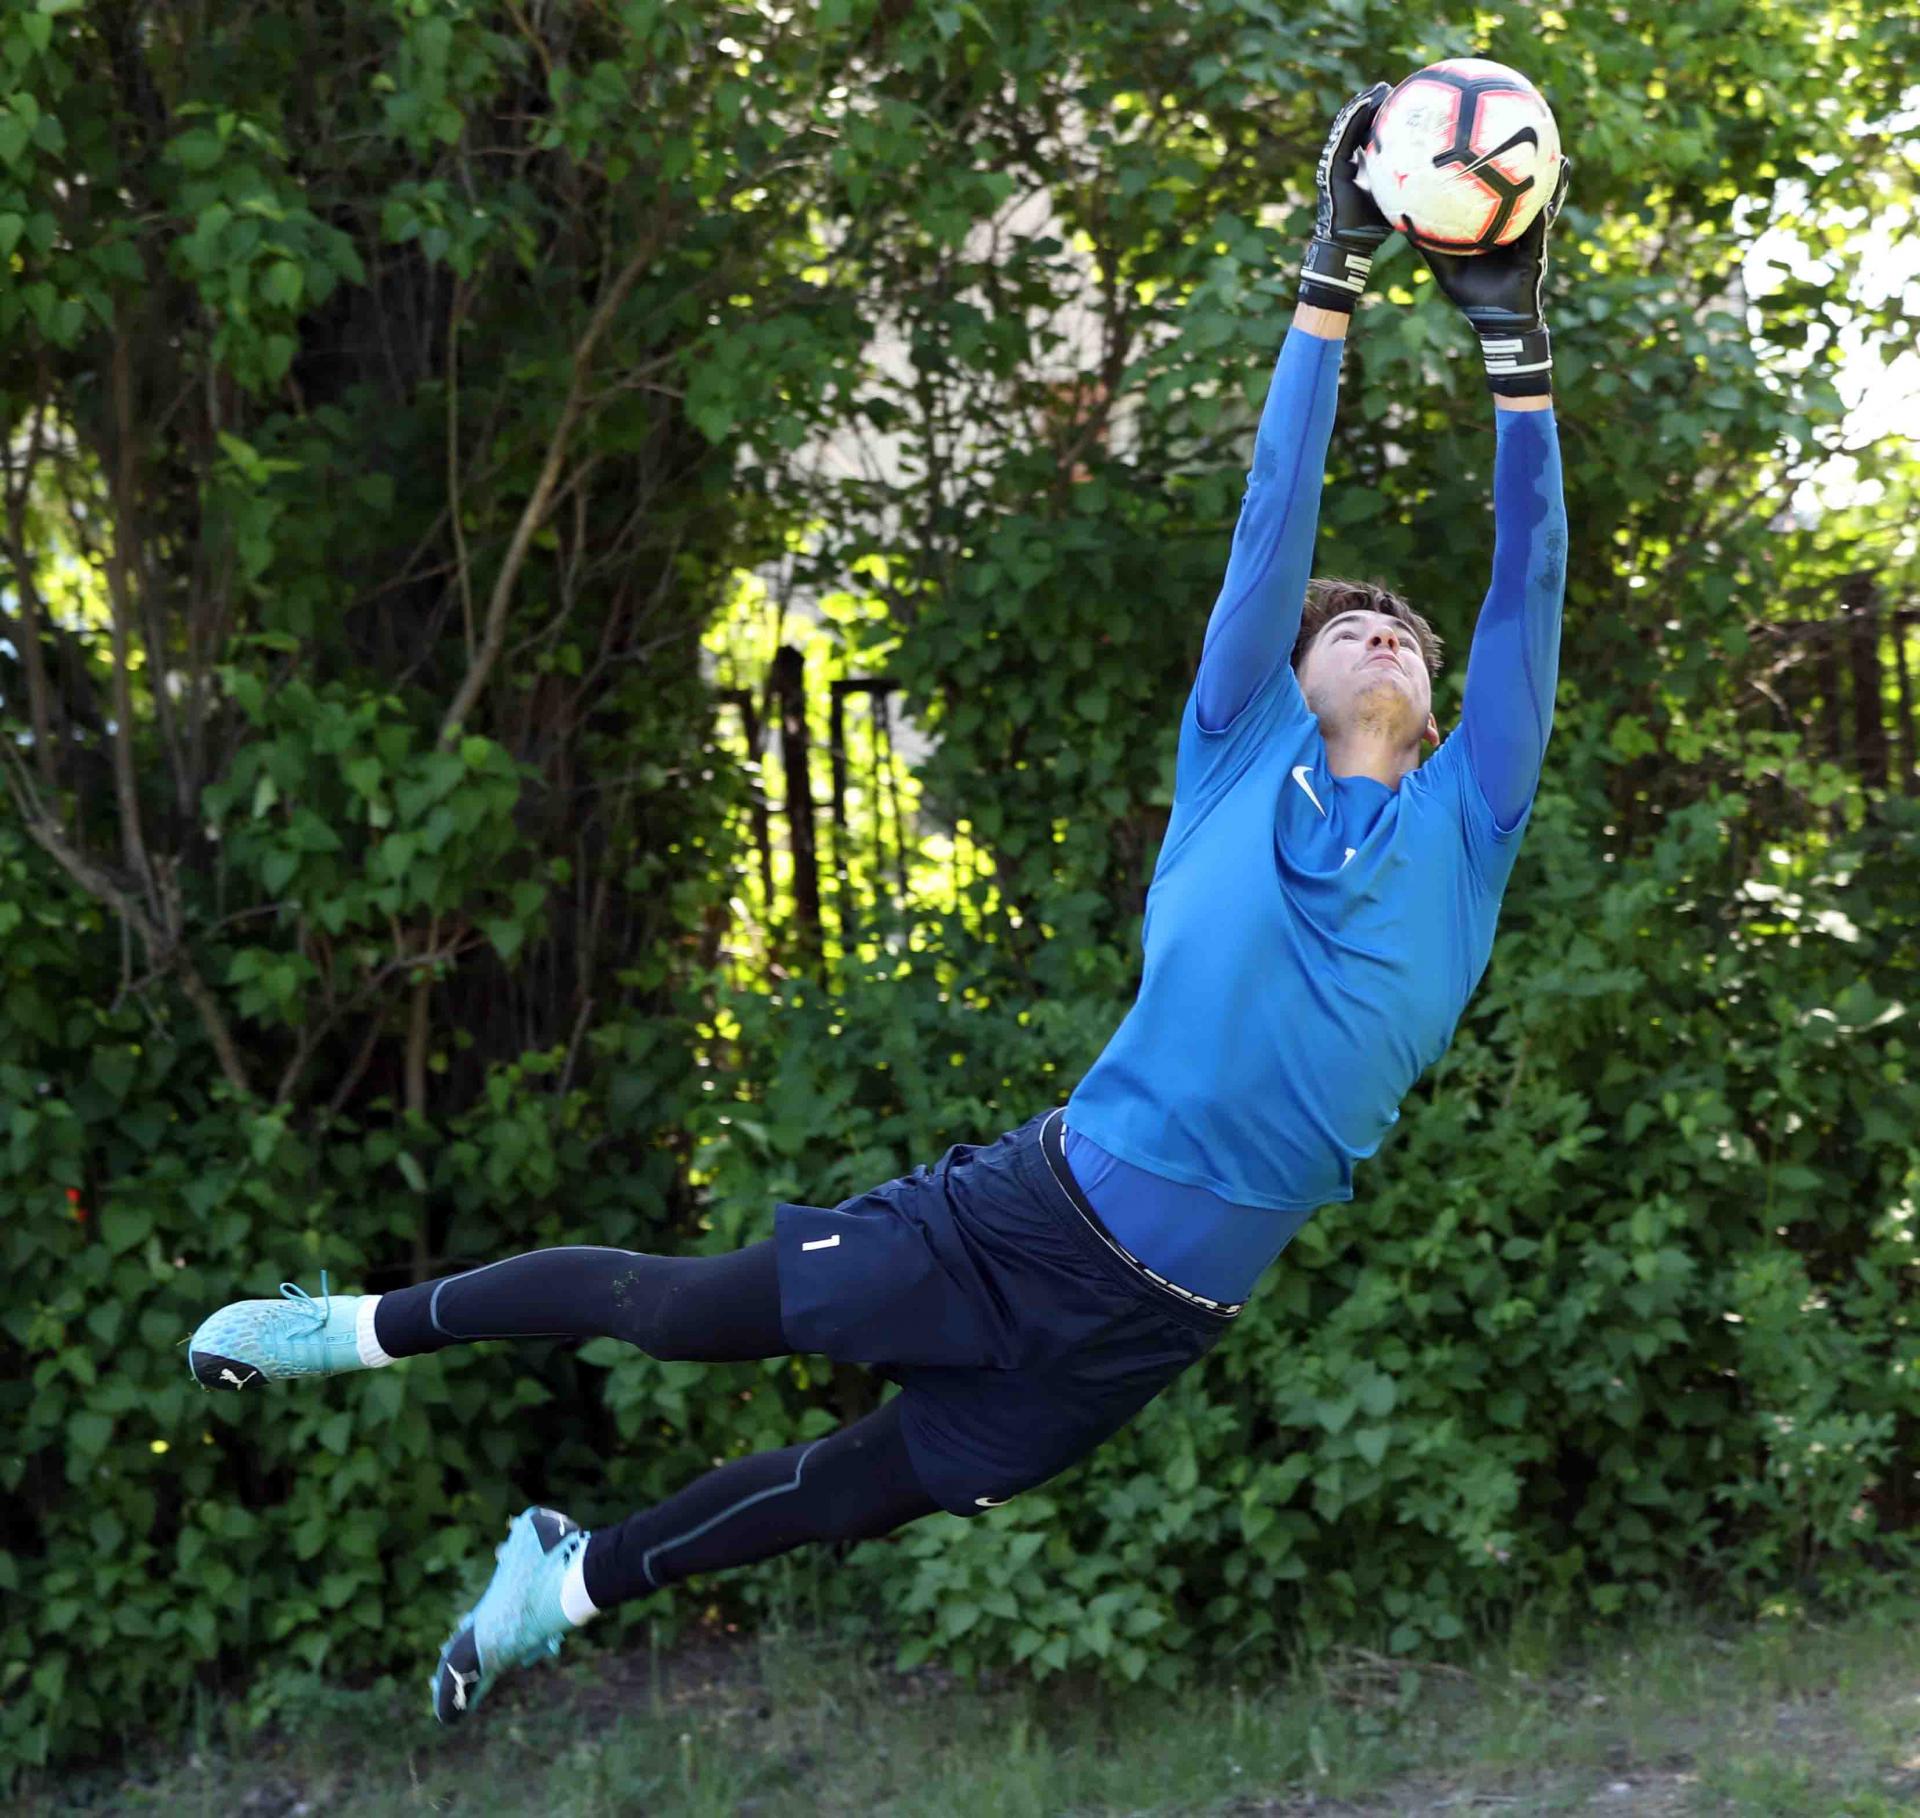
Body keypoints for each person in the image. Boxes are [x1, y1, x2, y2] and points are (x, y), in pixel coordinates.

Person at [186, 83, 1569, 1725]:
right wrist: (1328, 277)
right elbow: (1278, 511)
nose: (1387, 632)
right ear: (1289, 672)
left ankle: (558, 1581)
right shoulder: (1234, 749)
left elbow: (1530, 571)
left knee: (847, 1493)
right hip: (1024, 1219)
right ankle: (350, 1327)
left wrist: (1516, 349)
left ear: (1442, 704)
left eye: (1408, 633)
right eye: (1352, 625)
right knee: (684, 1310)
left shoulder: (1467, 826)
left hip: (1156, 1318)